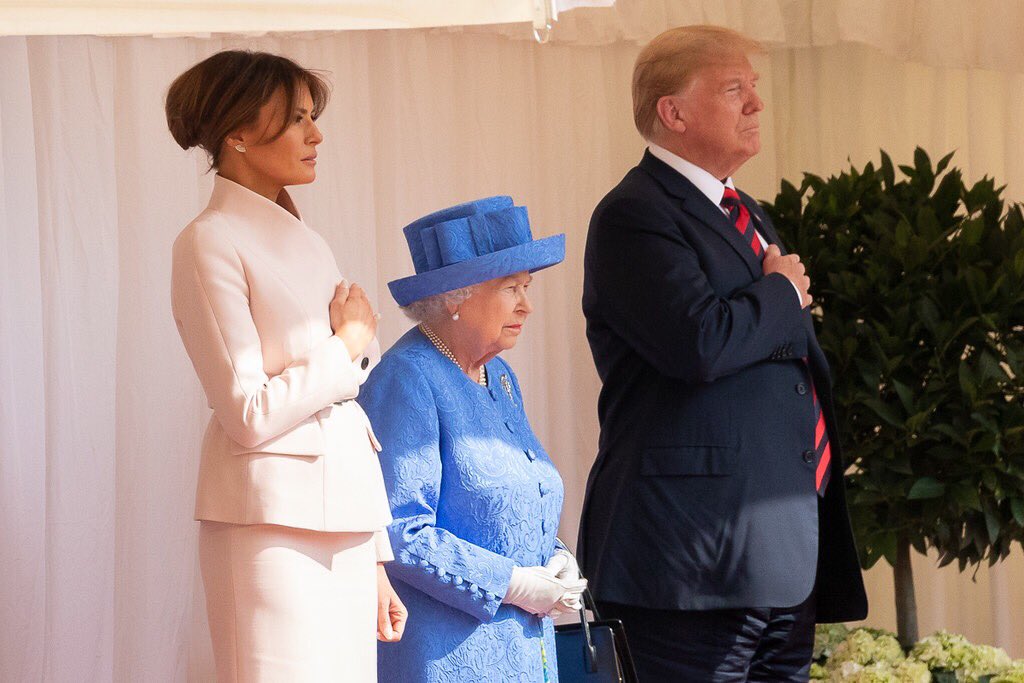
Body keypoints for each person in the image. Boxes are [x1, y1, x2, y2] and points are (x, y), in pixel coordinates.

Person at [577, 25, 868, 680]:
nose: (757, 104)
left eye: (753, 88)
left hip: (776, 556)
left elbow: (776, 356)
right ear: (673, 112)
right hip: (687, 564)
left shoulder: (748, 211)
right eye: (735, 89)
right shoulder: (633, 214)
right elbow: (699, 344)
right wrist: (782, 294)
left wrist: (774, 302)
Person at [166, 50, 405, 682]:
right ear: (237, 134)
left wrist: (375, 557)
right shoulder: (209, 240)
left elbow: (345, 411)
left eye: (311, 117)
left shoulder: (309, 241)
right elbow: (247, 413)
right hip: (269, 527)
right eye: (297, 119)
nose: (316, 135)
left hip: (346, 527)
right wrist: (346, 344)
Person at [358, 197, 586, 682]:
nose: (526, 305)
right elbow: (399, 530)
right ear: (455, 297)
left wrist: (555, 558)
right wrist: (512, 583)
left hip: (525, 652)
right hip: (446, 657)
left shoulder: (499, 376)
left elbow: (510, 501)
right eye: (510, 288)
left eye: (527, 287)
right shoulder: (407, 379)